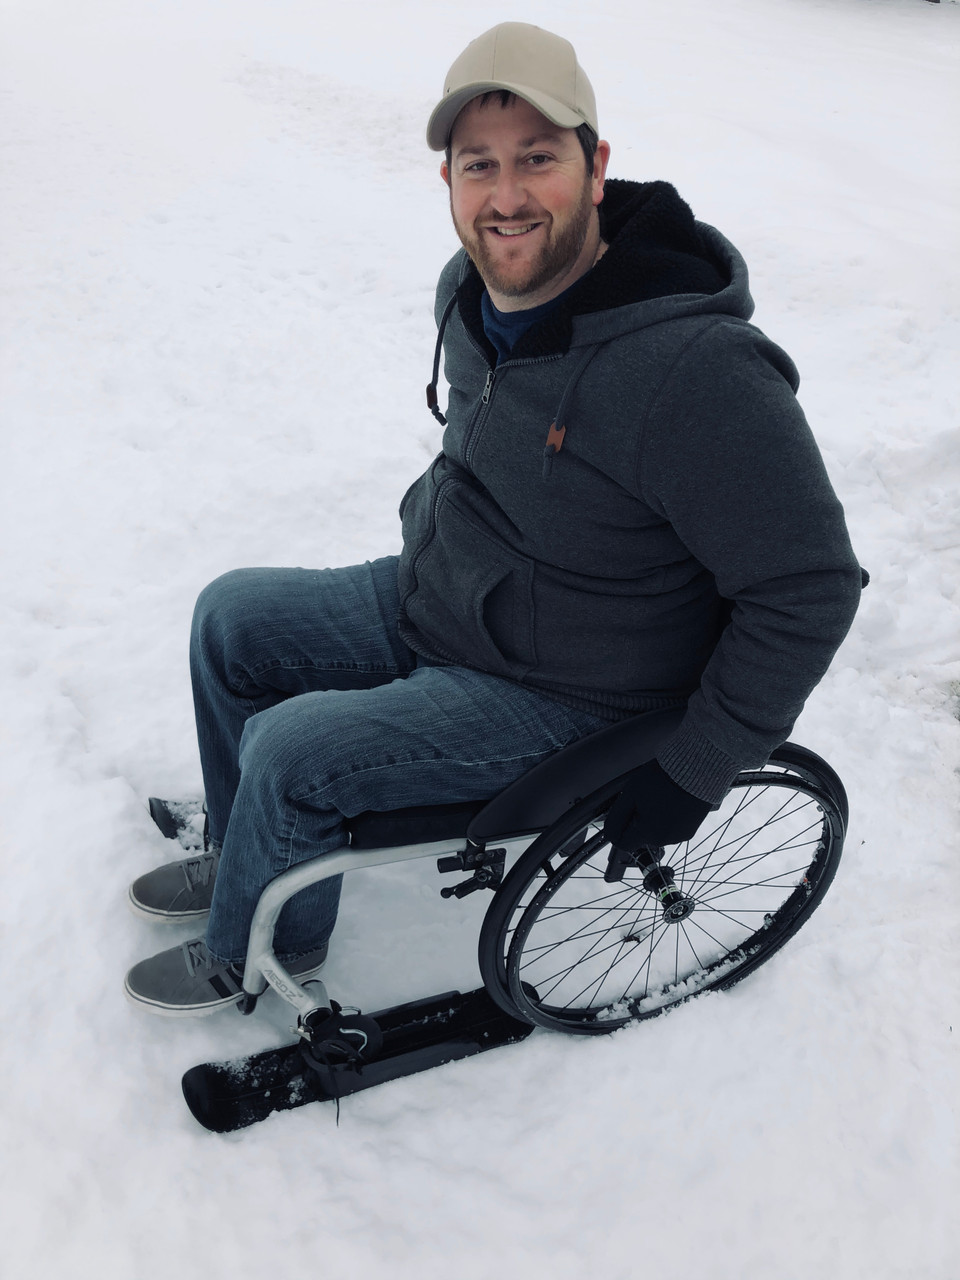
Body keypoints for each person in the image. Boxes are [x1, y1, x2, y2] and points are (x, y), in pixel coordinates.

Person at [124, 23, 863, 1015]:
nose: (507, 196)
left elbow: (808, 588)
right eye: (481, 165)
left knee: (292, 751)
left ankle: (267, 946)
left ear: (595, 167)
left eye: (538, 158)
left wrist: (696, 765)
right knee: (230, 620)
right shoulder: (470, 292)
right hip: (456, 596)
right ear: (449, 180)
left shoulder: (697, 376)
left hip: (571, 687)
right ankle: (246, 849)